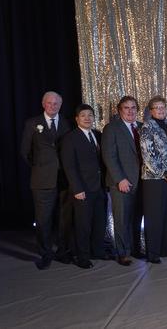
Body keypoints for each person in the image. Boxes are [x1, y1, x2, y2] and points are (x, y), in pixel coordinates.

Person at [20, 91, 72, 270]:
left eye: (56, 103)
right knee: (43, 219)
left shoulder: (66, 123)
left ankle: (63, 251)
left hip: (64, 179)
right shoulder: (32, 123)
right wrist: (41, 167)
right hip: (42, 180)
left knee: (64, 218)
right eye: (50, 103)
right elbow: (25, 152)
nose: (53, 106)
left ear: (60, 105)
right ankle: (45, 253)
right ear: (44, 104)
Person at [60, 104, 108, 269]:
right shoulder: (70, 138)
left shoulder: (98, 135)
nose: (87, 118)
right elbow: (69, 166)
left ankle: (98, 251)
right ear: (77, 119)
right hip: (83, 189)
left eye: (90, 115)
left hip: (100, 187)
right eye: (83, 115)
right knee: (83, 225)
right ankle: (82, 256)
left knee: (99, 222)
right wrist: (77, 188)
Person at [102, 96, 143, 266]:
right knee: (122, 218)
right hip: (121, 182)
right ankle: (122, 253)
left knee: (136, 218)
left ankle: (134, 248)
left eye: (133, 107)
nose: (130, 111)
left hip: (141, 181)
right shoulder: (111, 128)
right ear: (120, 110)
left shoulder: (142, 127)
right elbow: (109, 156)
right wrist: (120, 179)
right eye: (126, 107)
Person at [139, 96, 167, 264]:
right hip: (153, 178)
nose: (160, 110)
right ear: (151, 111)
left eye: (163, 107)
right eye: (157, 107)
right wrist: (165, 174)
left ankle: (165, 249)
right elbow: (148, 156)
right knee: (154, 215)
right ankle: (153, 253)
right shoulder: (147, 126)